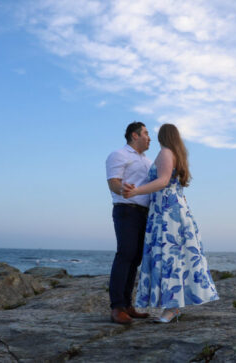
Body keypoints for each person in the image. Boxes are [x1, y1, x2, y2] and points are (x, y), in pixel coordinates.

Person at [122, 123, 219, 323]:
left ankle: (172, 308)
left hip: (167, 213)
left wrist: (136, 192)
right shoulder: (175, 153)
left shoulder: (166, 152)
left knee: (169, 257)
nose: (151, 137)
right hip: (171, 210)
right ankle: (172, 306)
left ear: (163, 136)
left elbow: (163, 181)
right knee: (174, 257)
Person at [105, 121, 153, 324]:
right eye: (146, 133)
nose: (149, 138)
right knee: (125, 255)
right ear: (135, 135)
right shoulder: (119, 154)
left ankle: (127, 305)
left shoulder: (147, 160)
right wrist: (123, 188)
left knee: (135, 259)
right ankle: (117, 307)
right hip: (126, 210)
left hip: (145, 213)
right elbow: (113, 182)